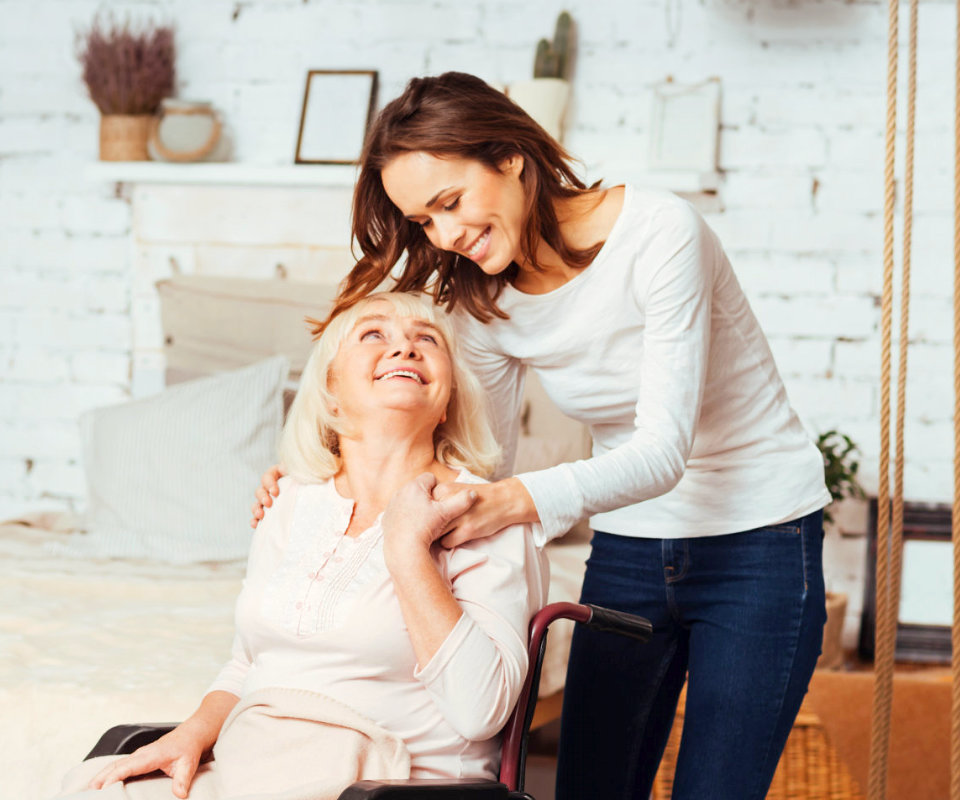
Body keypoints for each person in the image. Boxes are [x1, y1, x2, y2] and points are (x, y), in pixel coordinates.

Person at [252, 72, 831, 800]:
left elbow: (661, 453)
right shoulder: (482, 298)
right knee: (589, 787)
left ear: (511, 158)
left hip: (760, 539)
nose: (446, 235)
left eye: (450, 202)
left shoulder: (660, 234)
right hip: (631, 545)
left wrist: (513, 501)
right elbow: (473, 463)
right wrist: (315, 487)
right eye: (425, 222)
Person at [57, 291, 548, 800]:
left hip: (386, 784)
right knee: (91, 787)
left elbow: (481, 710)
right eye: (374, 334)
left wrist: (406, 551)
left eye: (428, 340)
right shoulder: (289, 500)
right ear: (330, 390)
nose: (405, 348)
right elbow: (249, 660)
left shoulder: (489, 514)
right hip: (256, 764)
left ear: (448, 398)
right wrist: (192, 734)